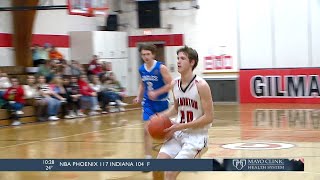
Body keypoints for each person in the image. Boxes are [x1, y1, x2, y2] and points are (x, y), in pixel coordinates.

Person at [155, 46, 214, 180]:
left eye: (182, 58)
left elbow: (209, 117)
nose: (178, 61)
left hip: (196, 137)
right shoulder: (175, 83)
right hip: (179, 133)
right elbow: (176, 108)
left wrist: (179, 126)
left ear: (192, 62)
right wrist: (161, 117)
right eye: (178, 58)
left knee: (170, 173)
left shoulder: (201, 85)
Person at [133, 44, 172, 160]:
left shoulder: (161, 68)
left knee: (166, 131)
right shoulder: (141, 69)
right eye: (143, 54)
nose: (145, 57)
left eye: (148, 54)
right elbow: (142, 84)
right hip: (148, 103)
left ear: (153, 54)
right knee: (146, 130)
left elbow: (171, 84)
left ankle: (170, 153)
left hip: (162, 102)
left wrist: (157, 92)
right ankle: (148, 157)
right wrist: (138, 96)